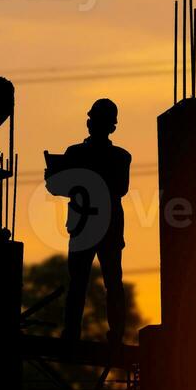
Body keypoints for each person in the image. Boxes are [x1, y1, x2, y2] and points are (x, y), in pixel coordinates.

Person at [47, 98, 131, 344]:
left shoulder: (78, 154)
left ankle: (75, 333)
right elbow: (117, 188)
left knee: (85, 283)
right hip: (103, 227)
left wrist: (60, 177)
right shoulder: (118, 157)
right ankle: (110, 335)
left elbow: (117, 188)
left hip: (89, 226)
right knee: (108, 282)